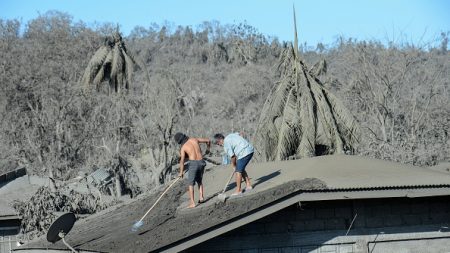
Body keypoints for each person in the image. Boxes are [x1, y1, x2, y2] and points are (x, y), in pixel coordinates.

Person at [174, 132, 211, 208]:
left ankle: (192, 203)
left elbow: (182, 161)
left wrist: (181, 172)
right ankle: (201, 198)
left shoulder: (183, 147)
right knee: (199, 181)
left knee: (190, 184)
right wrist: (208, 149)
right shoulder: (194, 139)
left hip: (193, 163)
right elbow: (208, 140)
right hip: (201, 162)